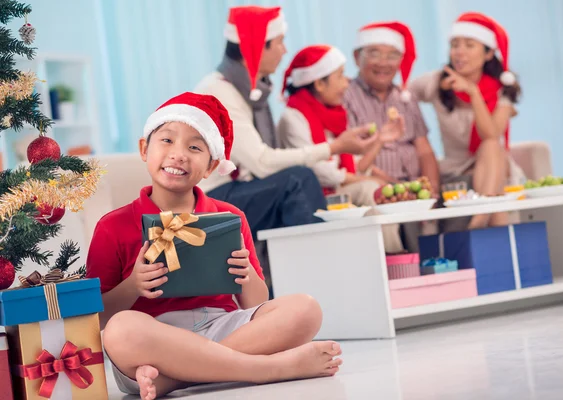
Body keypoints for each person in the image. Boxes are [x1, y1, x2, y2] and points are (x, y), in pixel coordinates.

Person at [86, 93, 343, 400]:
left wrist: (246, 274)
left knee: (306, 308)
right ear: (144, 149)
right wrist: (133, 286)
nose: (178, 154)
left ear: (211, 166)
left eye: (194, 147)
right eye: (167, 140)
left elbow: (254, 303)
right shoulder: (112, 226)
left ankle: (176, 381)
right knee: (121, 330)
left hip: (221, 327)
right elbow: (97, 319)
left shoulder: (229, 217)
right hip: (154, 343)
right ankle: (269, 369)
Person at [194, 6, 376, 238]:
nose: (284, 51)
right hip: (212, 199)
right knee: (297, 180)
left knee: (297, 180)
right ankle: (317, 262)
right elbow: (262, 163)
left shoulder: (251, 90)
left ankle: (310, 262)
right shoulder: (220, 92)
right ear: (258, 47)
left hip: (236, 189)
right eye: (280, 42)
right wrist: (334, 148)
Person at [277, 44, 405, 253]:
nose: (346, 83)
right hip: (315, 196)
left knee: (376, 200)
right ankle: (395, 258)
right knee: (370, 189)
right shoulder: (293, 117)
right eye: (340, 76)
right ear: (319, 83)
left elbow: (355, 168)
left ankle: (390, 260)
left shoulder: (333, 114)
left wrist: (381, 139)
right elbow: (322, 173)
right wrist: (367, 180)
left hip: (338, 191)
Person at [409, 12, 524, 229]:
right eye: (454, 45)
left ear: (488, 53)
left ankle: (479, 218)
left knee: (491, 146)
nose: (459, 52)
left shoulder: (503, 89)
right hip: (456, 165)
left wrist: (473, 93)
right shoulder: (437, 81)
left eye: (469, 45)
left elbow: (490, 134)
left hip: (490, 160)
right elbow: (403, 95)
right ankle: (496, 234)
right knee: (498, 202)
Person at [344, 21, 440, 251]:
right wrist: (400, 189)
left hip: (414, 189)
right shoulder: (345, 96)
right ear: (357, 58)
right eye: (375, 54)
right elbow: (353, 159)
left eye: (393, 56)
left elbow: (424, 149)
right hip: (381, 187)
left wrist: (431, 189)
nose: (384, 64)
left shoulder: (405, 97)